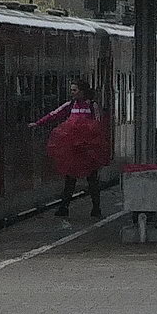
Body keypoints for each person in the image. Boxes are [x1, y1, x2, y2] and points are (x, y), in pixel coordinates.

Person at [32, 80, 111, 219]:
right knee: (71, 179)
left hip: (88, 149)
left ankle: (95, 208)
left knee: (91, 179)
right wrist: (38, 123)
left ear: (82, 91)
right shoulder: (71, 104)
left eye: (74, 90)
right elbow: (55, 114)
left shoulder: (92, 105)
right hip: (73, 149)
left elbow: (98, 125)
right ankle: (65, 207)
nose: (72, 92)